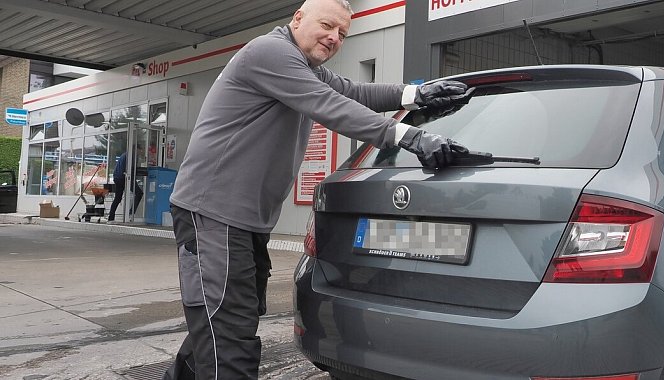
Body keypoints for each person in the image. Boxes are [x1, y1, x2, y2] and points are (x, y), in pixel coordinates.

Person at [162, 0, 470, 378]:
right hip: (213, 216)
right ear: (298, 19)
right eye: (327, 25)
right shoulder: (270, 52)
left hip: (242, 222)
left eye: (343, 33)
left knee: (214, 330)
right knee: (229, 342)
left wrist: (415, 96)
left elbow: (352, 92)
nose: (334, 37)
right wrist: (409, 136)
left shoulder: (306, 68)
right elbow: (329, 105)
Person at [107, 150, 142, 222]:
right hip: (124, 177)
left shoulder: (125, 154)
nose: (141, 152)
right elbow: (129, 169)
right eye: (140, 150)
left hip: (118, 177)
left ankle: (111, 216)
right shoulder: (131, 156)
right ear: (137, 149)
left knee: (118, 198)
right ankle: (131, 213)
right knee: (139, 193)